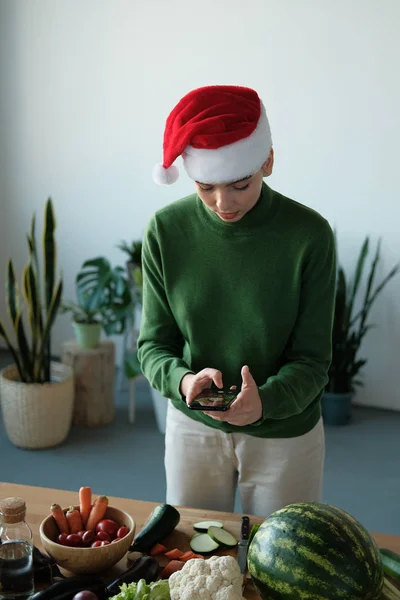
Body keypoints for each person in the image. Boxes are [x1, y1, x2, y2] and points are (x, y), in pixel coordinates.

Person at [137, 85, 336, 517]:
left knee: (281, 567)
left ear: (267, 160)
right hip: (192, 425)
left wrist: (265, 402)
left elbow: (313, 360)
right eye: (205, 187)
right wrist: (184, 383)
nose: (223, 203)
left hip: (286, 430)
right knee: (190, 559)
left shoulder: (309, 236)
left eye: (240, 185)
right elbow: (153, 346)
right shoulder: (165, 231)